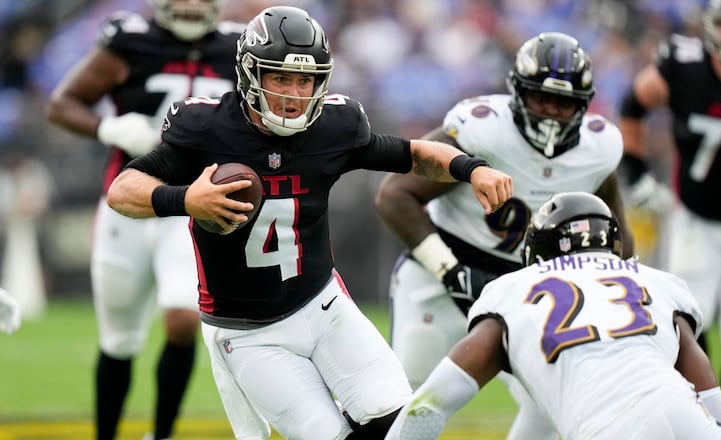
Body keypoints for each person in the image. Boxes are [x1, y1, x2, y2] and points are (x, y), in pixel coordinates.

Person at [105, 6, 513, 440]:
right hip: (248, 333)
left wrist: (473, 168)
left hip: (324, 307)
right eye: (281, 77)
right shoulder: (206, 128)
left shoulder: (333, 127)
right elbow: (122, 190)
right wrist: (185, 198)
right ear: (249, 75)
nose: (295, 93)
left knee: (399, 425)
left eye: (306, 79)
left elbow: (414, 153)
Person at [375, 32, 633, 439]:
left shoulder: (599, 148)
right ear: (517, 93)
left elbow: (616, 237)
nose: (551, 112)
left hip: (530, 288)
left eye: (563, 103)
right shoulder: (481, 130)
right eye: (541, 98)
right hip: (441, 272)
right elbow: (395, 195)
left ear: (583, 105)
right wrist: (450, 270)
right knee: (405, 398)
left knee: (555, 402)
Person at [385, 191, 721, 440]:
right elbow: (705, 384)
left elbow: (430, 405)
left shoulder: (514, 289)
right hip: (683, 411)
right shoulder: (656, 282)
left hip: (604, 429)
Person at [45, 1, 242, 439]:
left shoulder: (238, 47)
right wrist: (107, 128)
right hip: (127, 206)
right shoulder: (130, 41)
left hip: (191, 207)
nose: (191, 5)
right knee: (119, 341)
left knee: (183, 320)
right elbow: (62, 104)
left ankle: (162, 433)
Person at [617, 0, 721, 433]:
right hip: (696, 218)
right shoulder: (685, 67)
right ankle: (704, 426)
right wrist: (635, 174)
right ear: (711, 28)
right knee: (691, 319)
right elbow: (633, 103)